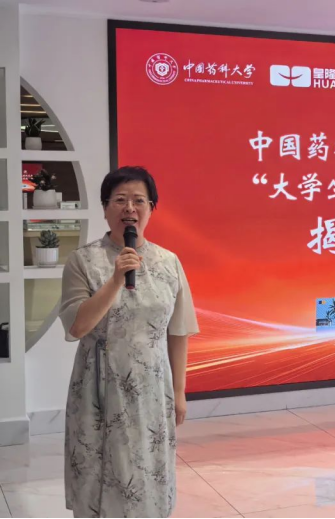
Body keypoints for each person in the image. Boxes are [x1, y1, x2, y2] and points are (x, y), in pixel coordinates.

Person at [59, 166, 199, 518]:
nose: (129, 208)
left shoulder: (169, 262)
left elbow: (178, 331)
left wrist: (179, 392)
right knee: (98, 470)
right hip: (98, 385)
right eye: (120, 200)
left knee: (147, 469)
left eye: (139, 200)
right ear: (105, 208)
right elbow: (77, 326)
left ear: (152, 208)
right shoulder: (83, 261)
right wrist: (116, 280)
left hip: (152, 387)